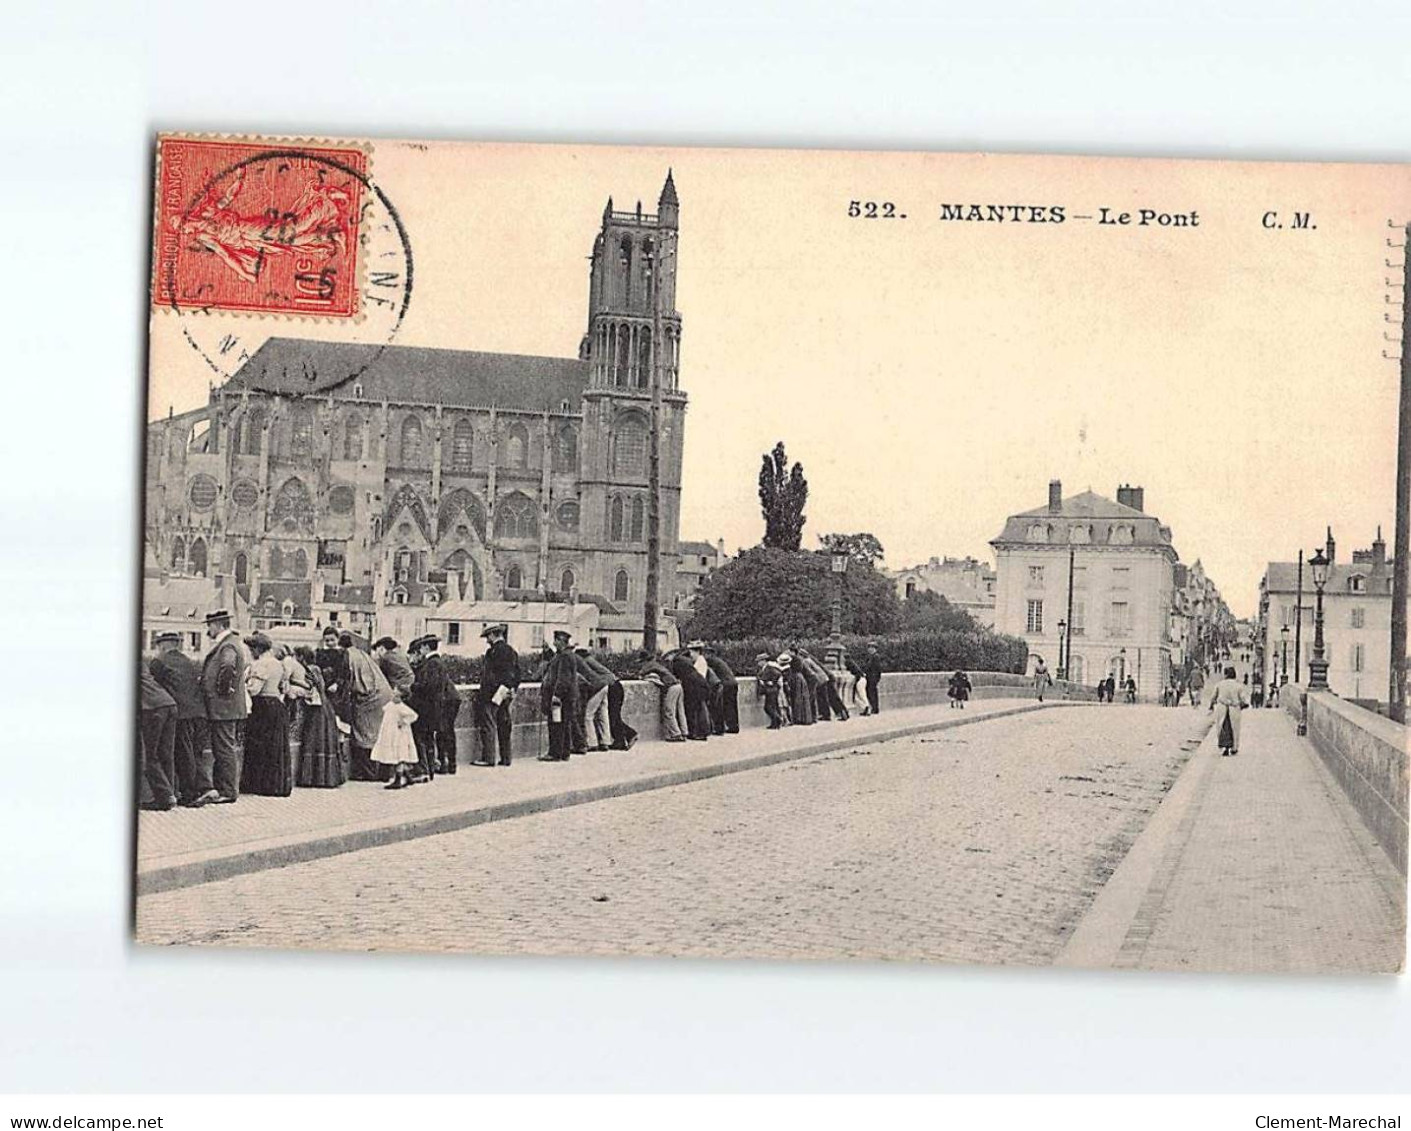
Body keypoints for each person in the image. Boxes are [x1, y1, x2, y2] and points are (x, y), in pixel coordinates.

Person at [149, 631, 215, 807]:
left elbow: (155, 687)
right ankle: (205, 787)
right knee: (196, 752)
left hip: (182, 712)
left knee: (183, 754)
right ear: (177, 644)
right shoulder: (188, 661)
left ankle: (190, 794)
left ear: (163, 645)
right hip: (200, 712)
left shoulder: (159, 662)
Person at [200, 608, 249, 804]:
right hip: (227, 707)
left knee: (224, 748)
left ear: (219, 625)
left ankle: (228, 791)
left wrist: (220, 691)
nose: (208, 630)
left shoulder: (227, 645)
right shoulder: (231, 643)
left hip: (223, 707)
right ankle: (224, 788)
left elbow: (228, 667)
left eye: (210, 625)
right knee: (224, 747)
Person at [341, 632, 394, 780]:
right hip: (383, 694)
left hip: (370, 699)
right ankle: (384, 774)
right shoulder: (361, 653)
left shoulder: (347, 655)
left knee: (363, 733)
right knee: (380, 735)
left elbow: (347, 681)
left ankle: (367, 773)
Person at [295, 645, 346, 787]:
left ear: (301, 658)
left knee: (314, 739)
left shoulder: (309, 670)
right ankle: (327, 778)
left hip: (317, 711)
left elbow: (309, 688)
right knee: (325, 741)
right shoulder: (317, 669)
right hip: (325, 707)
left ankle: (314, 778)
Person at [472, 623, 519, 767]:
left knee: (489, 724)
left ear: (493, 635)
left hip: (492, 693)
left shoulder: (493, 652)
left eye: (488, 636)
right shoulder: (511, 651)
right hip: (506, 692)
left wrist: (487, 692)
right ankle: (506, 758)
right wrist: (511, 688)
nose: (487, 640)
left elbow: (489, 676)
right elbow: (517, 673)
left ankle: (488, 758)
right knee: (504, 724)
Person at [138, 656, 178, 811]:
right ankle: (168, 796)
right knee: (165, 754)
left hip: (152, 708)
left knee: (150, 755)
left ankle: (166, 796)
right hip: (168, 703)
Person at [538, 630, 581, 761]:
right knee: (564, 724)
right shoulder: (566, 655)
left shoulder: (565, 656)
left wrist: (556, 695)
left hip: (561, 697)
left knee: (556, 724)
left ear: (561, 641)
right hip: (567, 697)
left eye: (556, 640)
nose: (554, 642)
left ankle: (555, 753)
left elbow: (563, 678)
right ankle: (564, 752)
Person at [372, 689, 420, 788]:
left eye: (397, 696)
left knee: (400, 756)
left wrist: (403, 722)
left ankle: (398, 780)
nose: (394, 697)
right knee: (397, 755)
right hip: (390, 733)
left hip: (399, 735)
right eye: (394, 694)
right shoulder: (391, 705)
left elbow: (413, 715)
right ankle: (408, 776)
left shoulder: (401, 707)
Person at [637, 650, 686, 742]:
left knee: (668, 711)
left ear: (644, 660)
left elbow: (640, 674)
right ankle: (684, 731)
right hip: (678, 685)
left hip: (671, 687)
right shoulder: (657, 664)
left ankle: (676, 734)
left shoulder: (649, 665)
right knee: (680, 710)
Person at [575, 647, 615, 751]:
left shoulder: (584, 662)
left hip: (598, 687)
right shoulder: (591, 660)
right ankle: (606, 741)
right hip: (606, 685)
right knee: (603, 714)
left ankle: (592, 743)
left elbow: (585, 680)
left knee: (588, 715)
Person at [670, 646, 711, 741]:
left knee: (693, 710)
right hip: (701, 684)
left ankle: (695, 733)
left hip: (695, 687)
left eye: (692, 652)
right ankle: (702, 732)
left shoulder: (677, 662)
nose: (691, 655)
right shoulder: (687, 662)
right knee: (700, 709)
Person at [1209, 664, 1249, 756]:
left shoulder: (1219, 684)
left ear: (1225, 674)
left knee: (1222, 727)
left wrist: (1211, 705)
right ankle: (1234, 747)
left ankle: (1224, 747)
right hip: (1234, 708)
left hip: (1222, 707)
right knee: (1234, 728)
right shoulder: (1238, 685)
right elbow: (1243, 699)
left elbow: (1213, 697)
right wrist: (1243, 704)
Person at [702, 648, 740, 734]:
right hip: (733, 683)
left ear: (709, 654)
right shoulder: (719, 660)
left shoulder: (710, 661)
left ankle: (721, 728)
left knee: (722, 706)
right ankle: (734, 726)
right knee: (732, 706)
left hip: (726, 684)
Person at [785, 652, 815, 726]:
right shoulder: (798, 660)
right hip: (801, 678)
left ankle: (798, 718)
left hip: (797, 679)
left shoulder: (794, 660)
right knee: (803, 698)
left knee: (798, 698)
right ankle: (805, 718)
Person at [755, 652, 785, 729]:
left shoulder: (769, 668)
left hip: (771, 690)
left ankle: (778, 719)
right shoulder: (765, 668)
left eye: (759, 661)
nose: (758, 663)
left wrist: (772, 682)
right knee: (771, 707)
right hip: (771, 690)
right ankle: (775, 723)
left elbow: (778, 674)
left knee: (768, 707)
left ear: (764, 661)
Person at [861, 643, 883, 716]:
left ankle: (874, 708)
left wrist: (876, 678)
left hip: (872, 678)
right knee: (871, 693)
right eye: (869, 648)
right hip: (870, 677)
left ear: (875, 649)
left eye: (871, 648)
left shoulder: (875, 657)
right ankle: (874, 708)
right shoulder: (871, 657)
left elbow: (877, 668)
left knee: (871, 693)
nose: (869, 649)